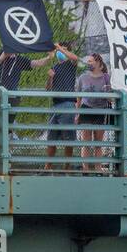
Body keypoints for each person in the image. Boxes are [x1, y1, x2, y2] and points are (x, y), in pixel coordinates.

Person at [0, 50, 53, 169]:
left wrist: (48, 58)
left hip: (12, 99)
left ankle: (5, 159)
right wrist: (2, 57)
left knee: (8, 131)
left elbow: (35, 63)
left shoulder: (19, 59)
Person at [45, 43, 84, 171]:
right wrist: (49, 78)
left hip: (67, 104)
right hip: (55, 105)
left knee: (68, 137)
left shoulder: (70, 65)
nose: (61, 52)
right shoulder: (55, 67)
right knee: (51, 137)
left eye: (64, 50)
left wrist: (60, 48)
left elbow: (75, 58)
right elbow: (48, 89)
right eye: (59, 50)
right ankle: (48, 166)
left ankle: (67, 167)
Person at [75, 53, 113, 174]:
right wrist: (77, 114)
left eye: (91, 61)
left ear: (98, 64)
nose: (89, 63)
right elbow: (78, 98)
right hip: (86, 109)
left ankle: (98, 169)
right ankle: (85, 169)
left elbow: (110, 98)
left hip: (100, 110)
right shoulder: (82, 77)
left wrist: (107, 93)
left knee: (98, 143)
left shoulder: (106, 77)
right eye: (88, 61)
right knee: (86, 142)